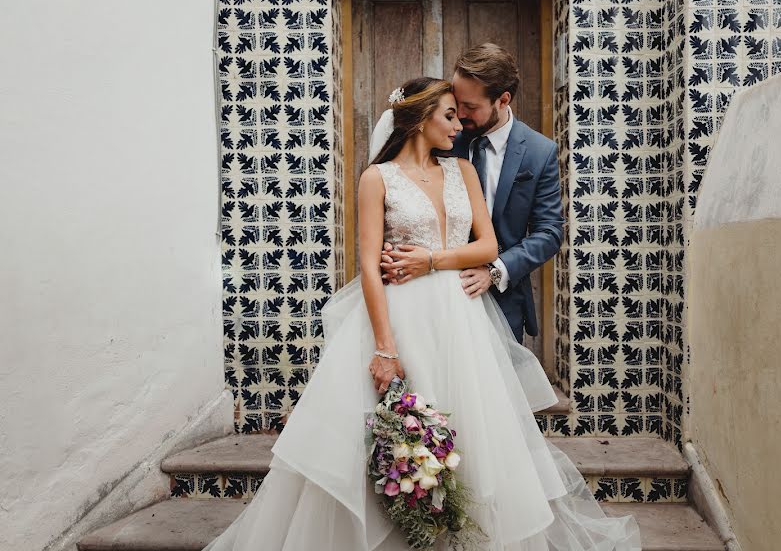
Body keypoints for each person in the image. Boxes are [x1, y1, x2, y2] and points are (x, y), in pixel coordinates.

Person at [201, 77, 641, 550]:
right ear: (419, 118)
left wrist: (430, 260)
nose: (460, 124)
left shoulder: (462, 172)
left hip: (462, 320)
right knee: (390, 439)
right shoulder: (377, 178)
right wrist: (385, 348)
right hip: (401, 319)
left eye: (459, 114)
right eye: (449, 115)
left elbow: (488, 245)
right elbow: (370, 268)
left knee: (474, 442)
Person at [380, 44, 563, 345]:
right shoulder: (443, 136)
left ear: (503, 100)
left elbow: (549, 231)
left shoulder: (540, 152)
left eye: (470, 107)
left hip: (502, 300)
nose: (460, 115)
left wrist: (495, 270)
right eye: (456, 103)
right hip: (427, 298)